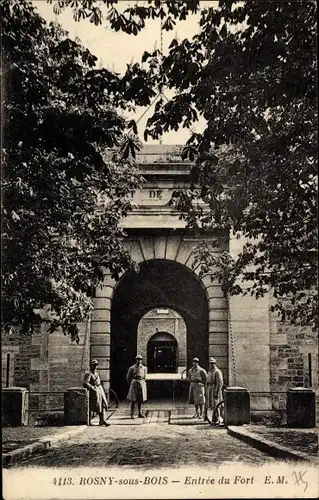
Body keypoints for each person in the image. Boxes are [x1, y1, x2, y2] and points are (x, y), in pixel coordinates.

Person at [83, 359, 110, 426]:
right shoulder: (88, 374)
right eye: (94, 365)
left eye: (96, 365)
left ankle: (103, 420)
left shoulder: (96, 373)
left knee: (103, 404)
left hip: (100, 390)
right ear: (91, 366)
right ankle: (89, 421)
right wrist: (92, 388)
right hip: (94, 392)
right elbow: (85, 383)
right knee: (94, 406)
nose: (95, 367)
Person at [126, 354, 147, 419]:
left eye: (140, 359)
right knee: (133, 399)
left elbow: (145, 377)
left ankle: (140, 413)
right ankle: (132, 414)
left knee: (140, 399)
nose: (139, 361)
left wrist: (142, 382)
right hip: (134, 383)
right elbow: (128, 378)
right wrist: (132, 383)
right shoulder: (131, 368)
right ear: (136, 360)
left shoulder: (144, 368)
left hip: (141, 383)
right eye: (138, 359)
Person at [206, 357, 224, 425]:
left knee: (216, 405)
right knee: (211, 405)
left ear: (215, 364)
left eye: (212, 363)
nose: (211, 365)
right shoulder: (210, 371)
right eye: (210, 363)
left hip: (215, 389)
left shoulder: (217, 371)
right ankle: (214, 419)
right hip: (210, 389)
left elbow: (220, 383)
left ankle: (218, 419)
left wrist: (216, 392)